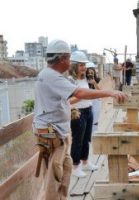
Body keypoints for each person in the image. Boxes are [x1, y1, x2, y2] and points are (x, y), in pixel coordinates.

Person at [33, 40, 127, 200]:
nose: (70, 63)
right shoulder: (52, 77)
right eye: (69, 59)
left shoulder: (47, 75)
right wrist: (110, 93)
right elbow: (80, 93)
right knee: (54, 174)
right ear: (62, 58)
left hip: (54, 131)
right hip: (49, 131)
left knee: (66, 167)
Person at [86, 62, 101, 132]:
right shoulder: (84, 81)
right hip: (87, 101)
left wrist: (94, 83)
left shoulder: (98, 80)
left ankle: (94, 132)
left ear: (94, 73)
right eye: (88, 73)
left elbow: (100, 91)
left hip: (95, 101)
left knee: (95, 120)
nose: (90, 74)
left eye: (92, 73)